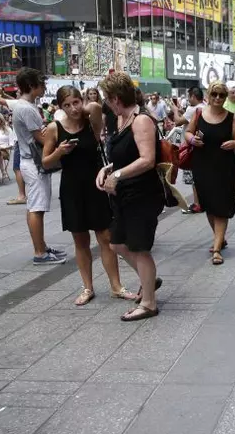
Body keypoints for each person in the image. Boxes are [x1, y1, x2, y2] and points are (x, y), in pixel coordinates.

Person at [43, 86, 136, 305]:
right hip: (71, 187)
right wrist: (59, 152)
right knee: (80, 240)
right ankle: (87, 287)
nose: (73, 108)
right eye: (66, 105)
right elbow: (45, 161)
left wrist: (82, 107)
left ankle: (116, 286)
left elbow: (95, 106)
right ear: (60, 107)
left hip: (95, 184)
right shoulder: (54, 128)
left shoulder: (91, 122)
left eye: (75, 102)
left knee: (105, 237)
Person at [95, 72, 164, 321]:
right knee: (116, 243)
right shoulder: (121, 119)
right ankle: (149, 280)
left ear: (115, 98)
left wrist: (119, 174)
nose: (105, 103)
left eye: (106, 98)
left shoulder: (141, 120)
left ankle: (149, 303)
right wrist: (107, 170)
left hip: (142, 194)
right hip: (124, 194)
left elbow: (147, 159)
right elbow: (122, 156)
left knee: (139, 247)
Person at [185, 82, 235, 265]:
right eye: (215, 94)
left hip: (224, 167)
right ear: (208, 96)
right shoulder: (198, 114)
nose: (218, 98)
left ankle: (217, 249)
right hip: (202, 166)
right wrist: (192, 140)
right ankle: (220, 237)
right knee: (209, 207)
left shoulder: (231, 117)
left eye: (221, 95)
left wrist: (234, 144)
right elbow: (187, 133)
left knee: (221, 208)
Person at [12, 68, 67, 265]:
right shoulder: (26, 108)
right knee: (37, 208)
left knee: (35, 207)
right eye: (41, 84)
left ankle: (41, 246)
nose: (44, 87)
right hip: (33, 163)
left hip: (29, 162)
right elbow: (42, 138)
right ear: (31, 86)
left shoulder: (24, 106)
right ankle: (40, 252)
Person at [0, 88, 27, 205]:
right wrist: (5, 93)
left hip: (19, 142)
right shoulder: (28, 105)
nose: (16, 94)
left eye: (18, 92)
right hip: (26, 141)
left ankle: (22, 195)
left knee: (17, 168)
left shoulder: (19, 104)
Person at [177, 86, 206, 214]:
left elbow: (177, 121)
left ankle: (197, 203)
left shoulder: (192, 109)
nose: (188, 99)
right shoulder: (205, 107)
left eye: (189, 97)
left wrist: (174, 108)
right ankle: (203, 201)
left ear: (193, 97)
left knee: (194, 177)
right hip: (202, 144)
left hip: (191, 146)